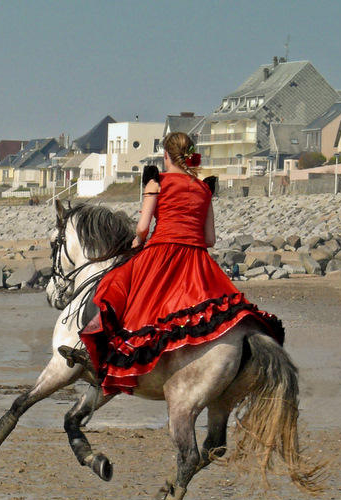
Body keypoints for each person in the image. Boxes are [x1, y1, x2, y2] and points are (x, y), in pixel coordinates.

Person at [65, 132, 283, 395]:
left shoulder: (157, 183)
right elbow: (210, 239)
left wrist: (137, 242)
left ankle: (100, 357)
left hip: (161, 253)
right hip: (197, 260)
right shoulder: (204, 188)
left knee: (113, 288)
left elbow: (144, 228)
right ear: (190, 156)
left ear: (166, 155)